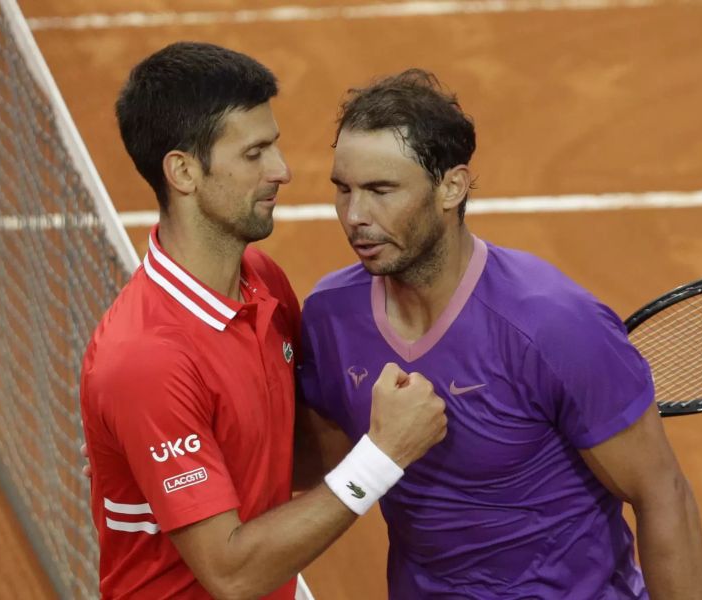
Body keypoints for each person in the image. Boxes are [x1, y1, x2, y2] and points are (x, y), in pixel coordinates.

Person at [295, 69, 702, 599]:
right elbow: (321, 460)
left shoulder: (553, 324)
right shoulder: (332, 317)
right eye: (342, 189)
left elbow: (662, 494)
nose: (354, 216)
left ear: (451, 187)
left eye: (381, 190)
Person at [79, 43, 447, 600]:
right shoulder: (146, 360)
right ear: (183, 172)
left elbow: (288, 455)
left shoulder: (260, 281)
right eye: (254, 154)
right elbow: (232, 573)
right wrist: (383, 454)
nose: (282, 170)